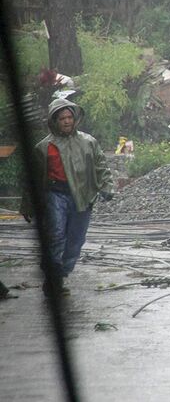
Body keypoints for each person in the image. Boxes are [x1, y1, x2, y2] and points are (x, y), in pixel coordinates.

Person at [20, 99, 114, 297]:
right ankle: (54, 280)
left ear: (75, 118)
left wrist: (106, 186)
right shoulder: (43, 147)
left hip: (82, 196)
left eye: (69, 117)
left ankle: (59, 274)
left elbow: (101, 167)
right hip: (55, 195)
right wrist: (27, 205)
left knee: (76, 241)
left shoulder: (89, 142)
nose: (66, 121)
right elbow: (33, 179)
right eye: (62, 118)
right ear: (54, 121)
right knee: (56, 237)